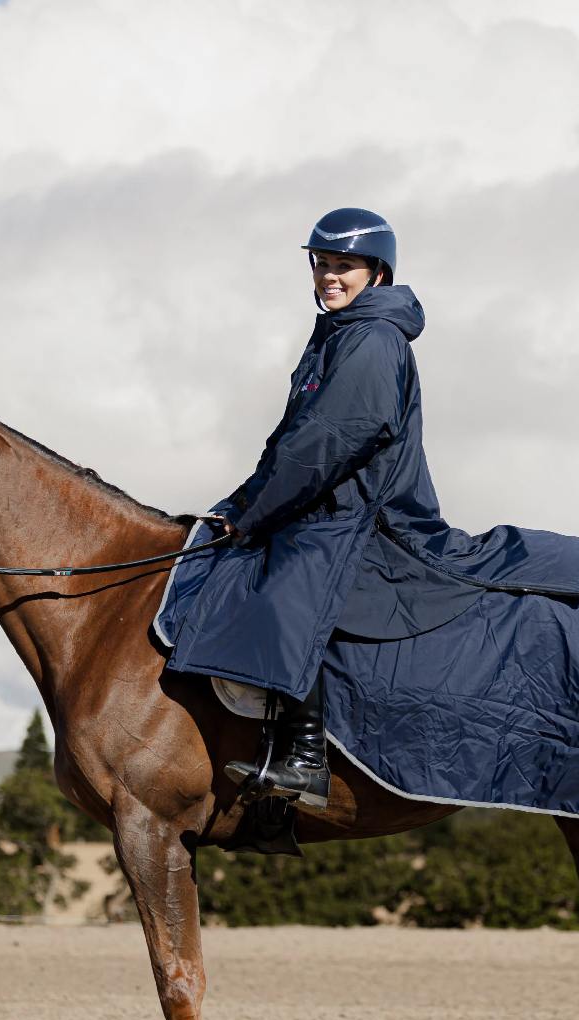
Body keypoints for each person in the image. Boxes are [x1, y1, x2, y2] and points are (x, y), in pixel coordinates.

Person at [209, 206, 428, 810]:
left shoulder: (373, 339)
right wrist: (243, 501)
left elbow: (330, 441)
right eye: (322, 264)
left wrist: (255, 516)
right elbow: (293, 440)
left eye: (344, 266)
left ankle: (305, 757)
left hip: (366, 514)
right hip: (328, 504)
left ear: (377, 273)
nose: (330, 276)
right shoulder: (338, 333)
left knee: (291, 580)